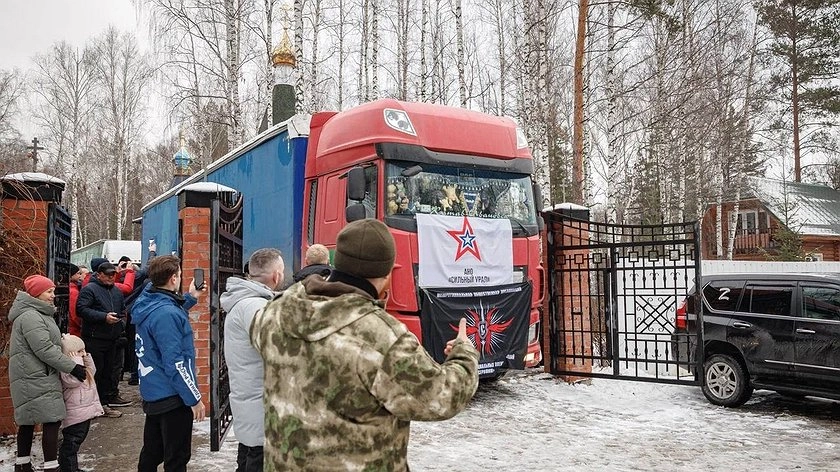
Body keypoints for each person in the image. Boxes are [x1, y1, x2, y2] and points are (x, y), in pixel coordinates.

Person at [250, 219, 479, 470]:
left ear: (337, 262)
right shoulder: (382, 337)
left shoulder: (276, 312)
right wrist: (464, 352)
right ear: (387, 274)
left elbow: (260, 339)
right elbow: (442, 397)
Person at [132, 255, 206, 472]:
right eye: (179, 275)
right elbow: (175, 363)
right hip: (172, 395)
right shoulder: (167, 314)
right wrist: (193, 398)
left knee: (152, 452)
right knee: (176, 458)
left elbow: (164, 313)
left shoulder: (148, 300)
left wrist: (190, 298)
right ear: (173, 278)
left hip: (154, 390)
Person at [9, 275, 87, 472]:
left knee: (28, 421)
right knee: (51, 419)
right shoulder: (31, 316)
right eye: (49, 291)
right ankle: (51, 467)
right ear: (36, 294)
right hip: (36, 375)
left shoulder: (36, 313)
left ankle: (22, 465)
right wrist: (72, 367)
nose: (53, 295)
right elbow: (44, 349)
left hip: (32, 374)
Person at [220, 248, 285, 472]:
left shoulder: (247, 302)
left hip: (252, 396)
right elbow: (277, 349)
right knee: (257, 458)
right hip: (260, 400)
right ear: (276, 275)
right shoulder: (254, 306)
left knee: (249, 454)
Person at [76, 262, 130, 416]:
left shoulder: (116, 291)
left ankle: (104, 403)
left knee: (108, 372)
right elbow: (81, 310)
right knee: (95, 373)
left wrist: (121, 323)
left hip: (112, 338)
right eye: (107, 275)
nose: (111, 277)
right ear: (99, 274)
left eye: (113, 274)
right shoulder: (89, 289)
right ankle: (91, 405)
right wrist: (103, 317)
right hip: (94, 338)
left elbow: (122, 310)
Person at [58, 334, 104, 472]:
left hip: (84, 412)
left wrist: (86, 357)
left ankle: (71, 467)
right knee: (71, 443)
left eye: (84, 350)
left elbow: (91, 372)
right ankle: (68, 468)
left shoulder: (82, 367)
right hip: (75, 414)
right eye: (79, 351)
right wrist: (75, 361)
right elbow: (73, 381)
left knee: (77, 441)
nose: (82, 354)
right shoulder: (67, 370)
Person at [68, 264, 85, 337]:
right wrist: (81, 324)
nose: (80, 276)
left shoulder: (71, 289)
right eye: (78, 273)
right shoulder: (73, 292)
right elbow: (75, 312)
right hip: (74, 330)